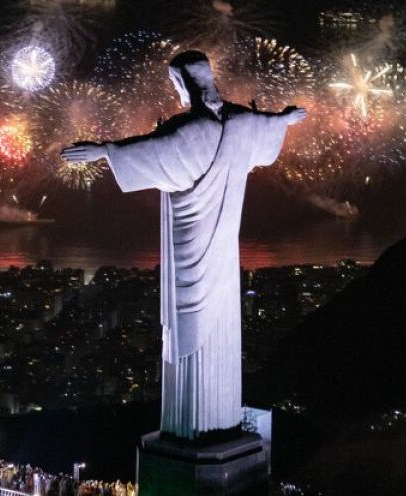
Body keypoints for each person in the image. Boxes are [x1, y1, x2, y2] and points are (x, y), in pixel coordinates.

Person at [62, 50, 305, 438]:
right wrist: (285, 121)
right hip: (225, 251)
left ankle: (192, 430)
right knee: (221, 326)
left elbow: (151, 151)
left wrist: (103, 151)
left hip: (189, 245)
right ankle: (219, 426)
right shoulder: (241, 122)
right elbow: (266, 126)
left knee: (191, 328)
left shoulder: (192, 132)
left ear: (182, 84)